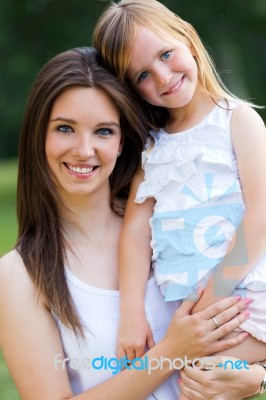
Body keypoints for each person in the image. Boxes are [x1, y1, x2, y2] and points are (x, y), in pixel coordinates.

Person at [0, 46, 256, 400]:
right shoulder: (19, 275)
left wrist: (255, 378)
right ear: (37, 135)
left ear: (123, 141)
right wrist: (170, 353)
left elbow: (251, 305)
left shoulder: (171, 218)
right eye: (64, 128)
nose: (84, 150)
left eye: (103, 131)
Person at [93, 0, 266, 394]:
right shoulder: (152, 148)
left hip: (244, 297)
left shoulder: (237, 120)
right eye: (142, 75)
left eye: (166, 55)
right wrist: (131, 313)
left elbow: (260, 216)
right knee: (186, 379)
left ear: (187, 36)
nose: (164, 77)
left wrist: (211, 302)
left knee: (198, 378)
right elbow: (136, 233)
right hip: (186, 310)